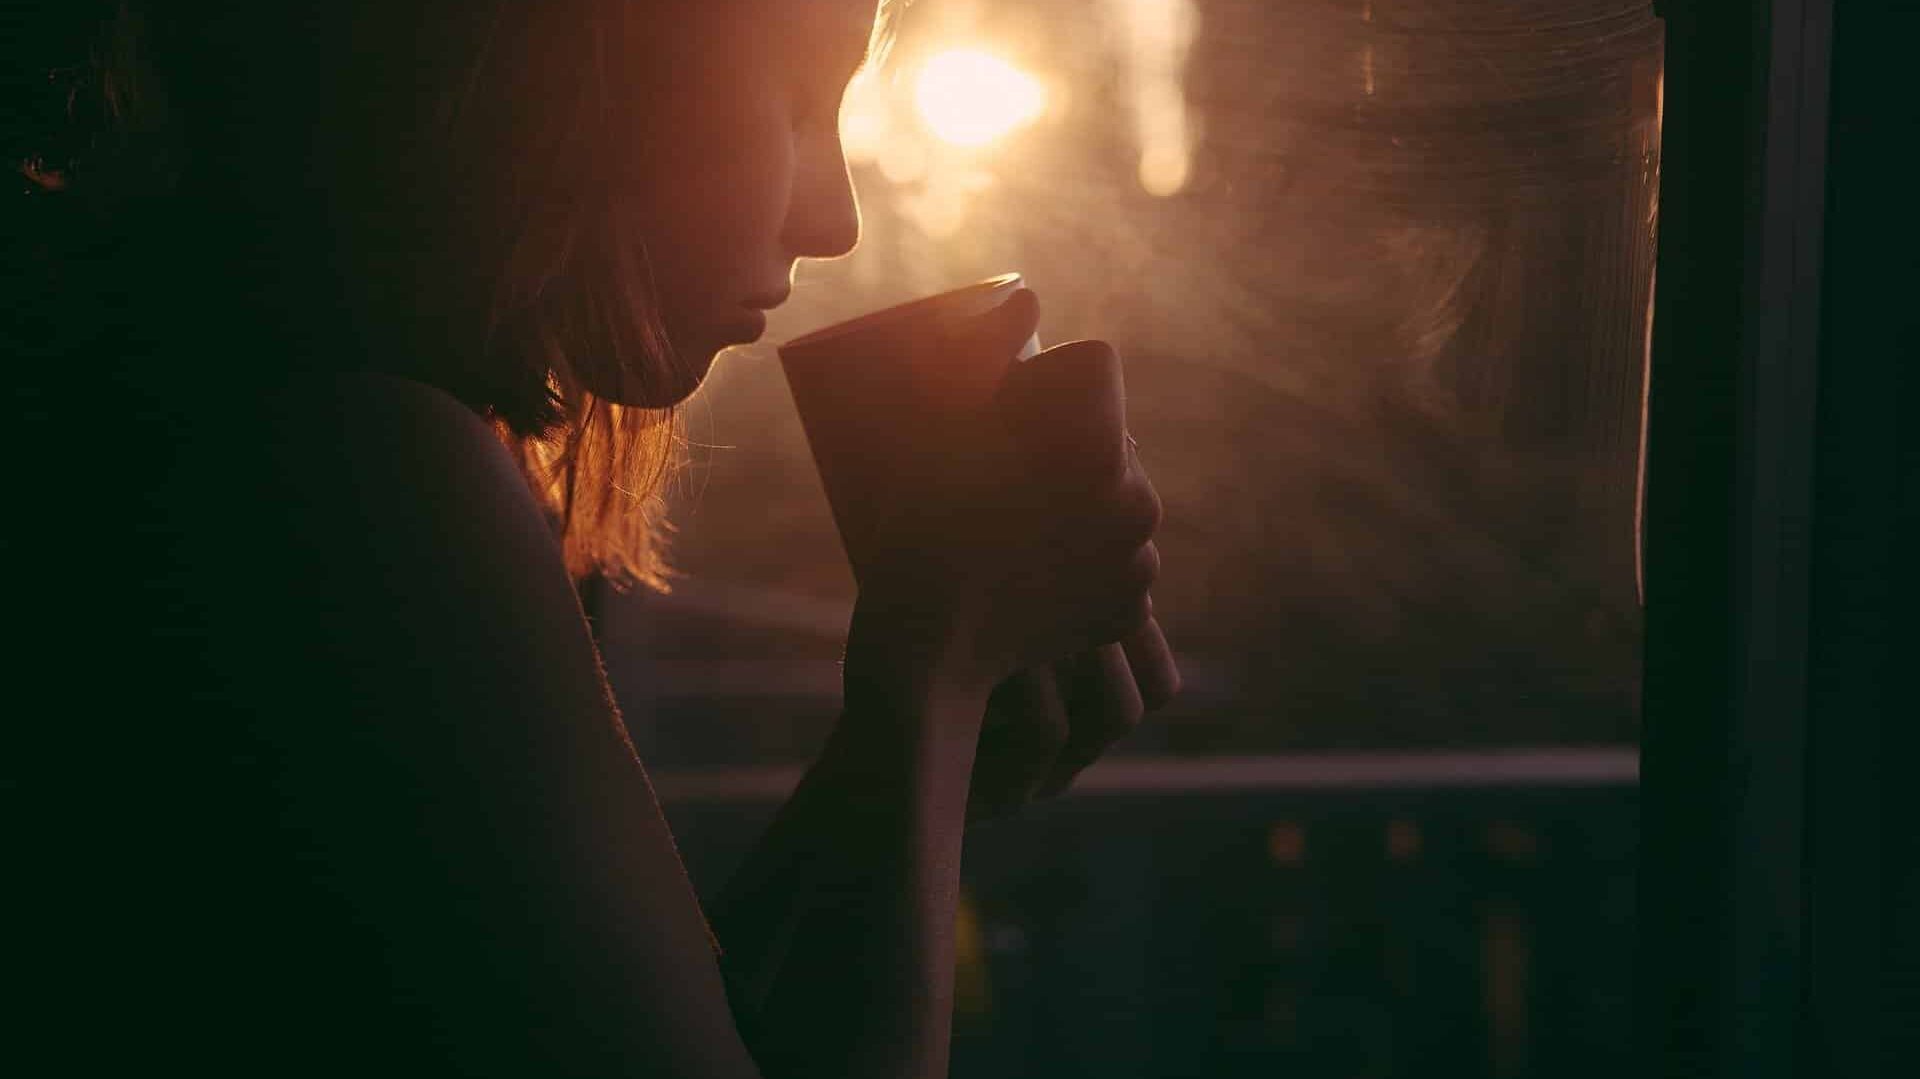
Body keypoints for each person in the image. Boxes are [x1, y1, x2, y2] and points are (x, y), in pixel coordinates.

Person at [7, 3, 1171, 1076]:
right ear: (579, 82)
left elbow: (658, 1028)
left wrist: (894, 764)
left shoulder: (267, 403)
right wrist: (939, 673)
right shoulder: (356, 459)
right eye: (800, 104)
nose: (835, 220)